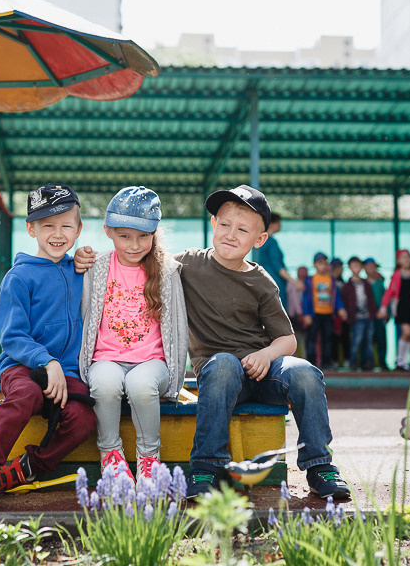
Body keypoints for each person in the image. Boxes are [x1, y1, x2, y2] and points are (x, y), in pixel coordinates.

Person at [76, 184, 350, 501]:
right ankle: (206, 466)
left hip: (263, 371)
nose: (231, 235)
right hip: (219, 373)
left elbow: (287, 340)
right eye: (224, 224)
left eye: (243, 229)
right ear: (213, 225)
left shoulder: (261, 281)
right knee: (224, 364)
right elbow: (137, 255)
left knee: (304, 372)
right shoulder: (186, 265)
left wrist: (265, 354)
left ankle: (320, 466)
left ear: (260, 239)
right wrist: (88, 255)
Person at [0, 184, 97, 507]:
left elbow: (116, 264)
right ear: (31, 228)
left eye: (66, 225)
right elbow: (13, 337)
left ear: (78, 229)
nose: (57, 233)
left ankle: (28, 468)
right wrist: (47, 363)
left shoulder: (79, 271)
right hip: (23, 366)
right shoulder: (18, 278)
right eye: (48, 225)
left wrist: (86, 256)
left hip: (67, 372)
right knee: (28, 394)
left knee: (84, 419)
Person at [79, 186, 188, 482]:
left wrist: (175, 379)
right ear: (108, 231)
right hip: (106, 358)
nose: (135, 244)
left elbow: (178, 326)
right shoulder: (96, 268)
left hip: (153, 362)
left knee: (140, 384)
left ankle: (149, 458)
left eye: (143, 236)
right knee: (104, 383)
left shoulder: (165, 271)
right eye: (125, 236)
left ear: (154, 234)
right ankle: (111, 454)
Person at [377, 249, 410, 371]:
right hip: (402, 308)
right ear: (398, 261)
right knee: (406, 333)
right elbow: (389, 292)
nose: (406, 260)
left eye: (408, 257)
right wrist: (383, 307)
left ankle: (403, 362)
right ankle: (399, 359)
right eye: (403, 257)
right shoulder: (396, 275)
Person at [302, 252, 348, 371]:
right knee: (311, 339)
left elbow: (336, 296)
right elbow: (306, 298)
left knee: (327, 339)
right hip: (314, 314)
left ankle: (327, 362)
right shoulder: (310, 280)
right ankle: (311, 363)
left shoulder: (331, 280)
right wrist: (306, 314)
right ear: (315, 265)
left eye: (324, 263)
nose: (323, 266)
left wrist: (341, 308)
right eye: (320, 263)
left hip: (328, 313)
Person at [255, 212, 302, 311]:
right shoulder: (271, 242)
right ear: (272, 223)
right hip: (274, 283)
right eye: (279, 222)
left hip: (261, 283)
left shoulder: (258, 241)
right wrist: (294, 281)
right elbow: (278, 267)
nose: (281, 225)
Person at [340, 256, 378, 371]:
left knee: (369, 341)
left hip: (368, 317)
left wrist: (374, 313)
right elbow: (344, 301)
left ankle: (368, 364)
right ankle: (353, 364)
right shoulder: (347, 286)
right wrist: (346, 314)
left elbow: (371, 300)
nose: (356, 268)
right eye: (354, 266)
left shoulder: (366, 284)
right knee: (356, 341)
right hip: (356, 318)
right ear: (350, 268)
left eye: (358, 266)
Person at [363, 257, 388, 369]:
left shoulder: (380, 283)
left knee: (381, 339)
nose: (371, 269)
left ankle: (382, 362)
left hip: (379, 315)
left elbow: (386, 299)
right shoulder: (363, 283)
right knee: (367, 340)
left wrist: (387, 313)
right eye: (368, 267)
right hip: (366, 316)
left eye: (373, 267)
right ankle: (368, 363)